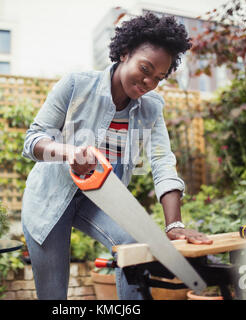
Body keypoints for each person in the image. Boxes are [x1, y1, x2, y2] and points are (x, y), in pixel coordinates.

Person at [21, 13, 212, 300]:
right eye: (145, 68)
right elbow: (32, 140)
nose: (149, 81)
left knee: (134, 246)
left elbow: (162, 161)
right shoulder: (76, 86)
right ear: (124, 54)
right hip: (49, 198)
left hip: (98, 198)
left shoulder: (151, 108)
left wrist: (174, 225)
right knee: (53, 296)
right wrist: (68, 152)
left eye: (158, 78)